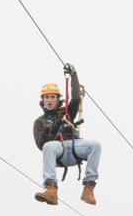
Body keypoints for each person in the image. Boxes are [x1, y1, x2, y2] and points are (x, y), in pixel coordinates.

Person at [33, 63, 101, 205]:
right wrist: (46, 132)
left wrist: (73, 76)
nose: (50, 100)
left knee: (95, 144)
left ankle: (89, 187)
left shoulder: (67, 113)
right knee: (48, 147)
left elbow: (76, 98)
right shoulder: (40, 122)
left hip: (74, 146)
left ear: (58, 99)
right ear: (43, 100)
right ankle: (51, 189)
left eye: (52, 97)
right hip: (58, 150)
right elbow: (41, 145)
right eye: (47, 98)